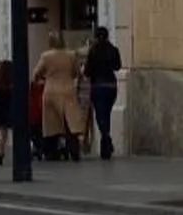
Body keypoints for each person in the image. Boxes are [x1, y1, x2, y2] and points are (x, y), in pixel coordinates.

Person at [31, 32, 86, 163]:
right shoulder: (71, 55)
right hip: (67, 90)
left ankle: (51, 151)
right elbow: (77, 72)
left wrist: (41, 78)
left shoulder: (46, 56)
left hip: (50, 90)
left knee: (51, 124)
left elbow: (36, 73)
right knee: (71, 122)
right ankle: (73, 148)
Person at [83, 25, 123, 162]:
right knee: (106, 114)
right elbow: (118, 66)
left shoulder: (93, 51)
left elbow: (87, 71)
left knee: (100, 116)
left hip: (98, 86)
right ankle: (105, 146)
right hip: (111, 85)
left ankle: (106, 139)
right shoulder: (113, 50)